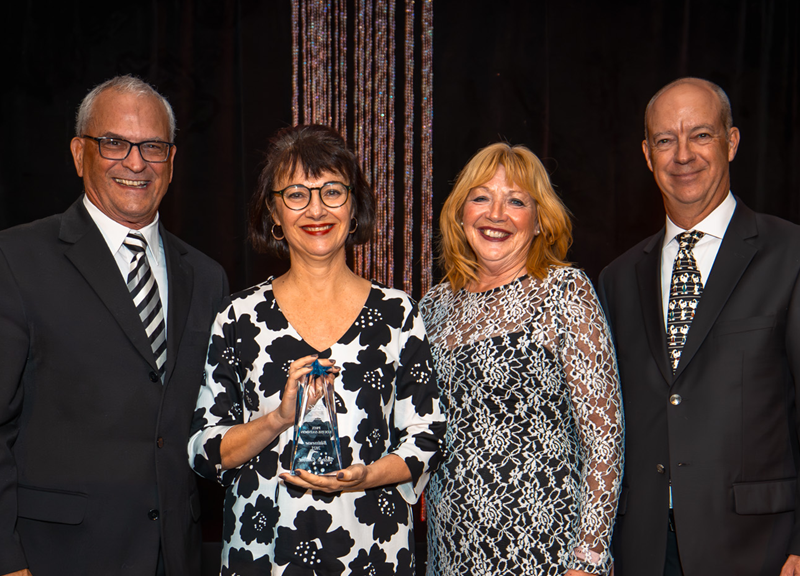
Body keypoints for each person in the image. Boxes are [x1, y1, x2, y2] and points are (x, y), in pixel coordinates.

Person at [188, 124, 445, 575]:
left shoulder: (397, 313)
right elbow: (205, 450)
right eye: (297, 194)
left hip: (373, 550)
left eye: (331, 191)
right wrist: (277, 420)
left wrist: (366, 476)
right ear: (274, 210)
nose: (316, 209)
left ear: (354, 205)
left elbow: (426, 437)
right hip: (262, 552)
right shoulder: (238, 317)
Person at [0, 75, 229, 576]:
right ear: (80, 154)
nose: (135, 161)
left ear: (171, 161)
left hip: (176, 555)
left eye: (152, 146)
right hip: (54, 558)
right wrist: (8, 561)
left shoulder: (208, 277)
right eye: (114, 143)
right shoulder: (15, 259)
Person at [597, 77, 800, 575]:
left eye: (701, 135)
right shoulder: (618, 277)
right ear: (647, 155)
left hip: (760, 545)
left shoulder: (790, 253)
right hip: (643, 546)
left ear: (731, 142)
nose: (682, 155)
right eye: (666, 140)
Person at [420, 142, 623, 576]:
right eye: (481, 197)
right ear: (460, 214)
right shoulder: (433, 306)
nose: (496, 214)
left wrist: (588, 559)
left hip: (546, 548)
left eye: (516, 201)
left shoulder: (564, 291)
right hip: (451, 546)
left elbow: (604, 437)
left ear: (538, 222)